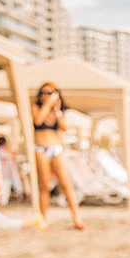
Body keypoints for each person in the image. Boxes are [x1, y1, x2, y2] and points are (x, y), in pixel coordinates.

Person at [31, 81, 85, 229]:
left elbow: (64, 127)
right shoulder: (36, 107)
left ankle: (76, 218)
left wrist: (57, 110)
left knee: (66, 184)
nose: (45, 96)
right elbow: (38, 120)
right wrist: (47, 105)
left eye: (49, 93)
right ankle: (43, 219)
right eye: (43, 93)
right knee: (45, 185)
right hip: (40, 147)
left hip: (56, 147)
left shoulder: (57, 110)